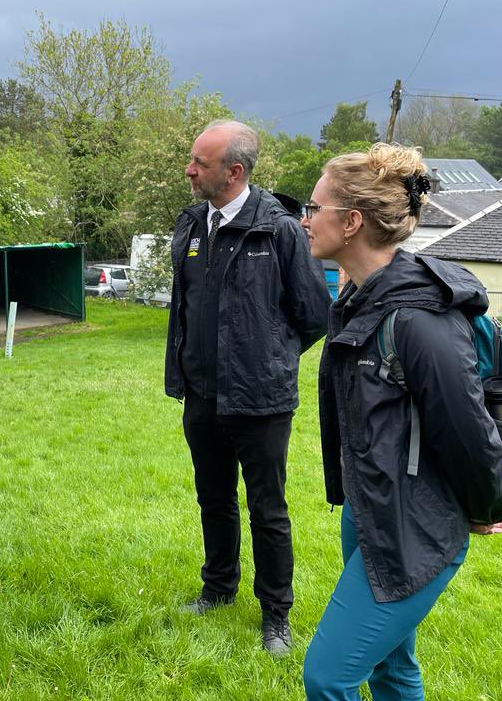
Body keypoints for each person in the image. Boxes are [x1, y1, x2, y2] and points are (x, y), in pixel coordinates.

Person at [299, 143, 502, 700]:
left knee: (329, 675)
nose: (304, 219)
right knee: (391, 668)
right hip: (373, 508)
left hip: (417, 527)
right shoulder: (360, 297)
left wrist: (489, 507)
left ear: (350, 222)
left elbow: (467, 429)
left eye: (313, 207)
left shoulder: (418, 319)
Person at [164, 120, 331, 656]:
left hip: (261, 401)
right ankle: (218, 589)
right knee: (213, 498)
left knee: (268, 510)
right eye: (192, 160)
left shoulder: (278, 231)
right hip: (201, 395)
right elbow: (188, 308)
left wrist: (270, 360)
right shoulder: (190, 225)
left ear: (234, 172)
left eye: (200, 163)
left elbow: (312, 315)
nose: (189, 171)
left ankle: (276, 616)